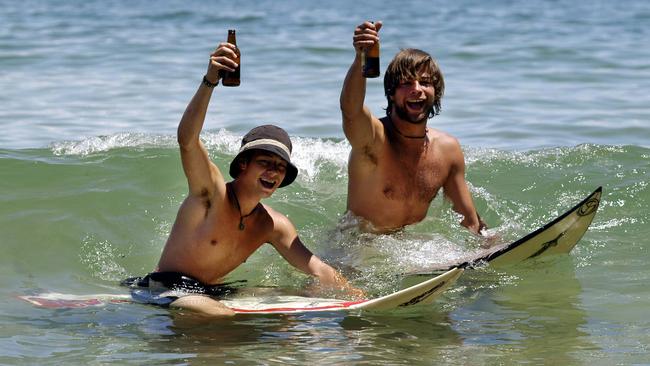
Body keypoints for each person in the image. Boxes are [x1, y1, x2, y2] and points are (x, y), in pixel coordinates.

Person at [124, 41, 363, 317]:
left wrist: (357, 297)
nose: (273, 172)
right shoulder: (211, 195)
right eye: (265, 163)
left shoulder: (273, 225)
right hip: (167, 289)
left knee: (289, 298)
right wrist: (209, 81)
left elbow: (317, 268)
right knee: (223, 315)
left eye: (280, 167)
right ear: (243, 165)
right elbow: (187, 140)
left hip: (211, 291)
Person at [340, 21, 486, 234]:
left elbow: (468, 219)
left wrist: (489, 244)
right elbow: (350, 110)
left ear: (436, 92)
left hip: (403, 249)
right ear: (391, 92)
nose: (416, 90)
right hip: (355, 248)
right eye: (406, 83)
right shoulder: (373, 139)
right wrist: (361, 57)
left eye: (425, 83)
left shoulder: (447, 150)